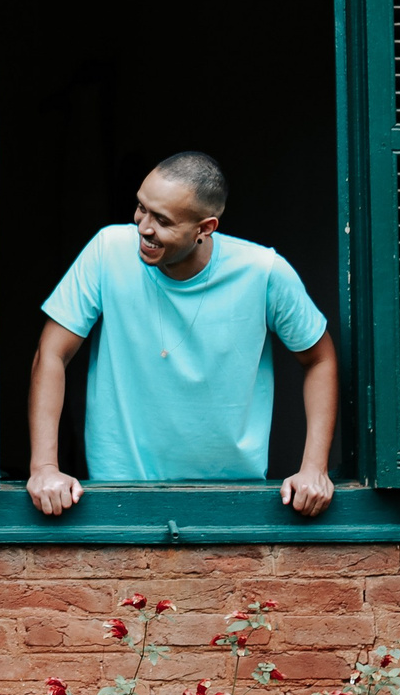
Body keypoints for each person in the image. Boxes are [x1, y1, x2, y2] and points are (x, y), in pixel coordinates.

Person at [25, 151, 336, 518]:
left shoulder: (264, 272)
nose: (144, 227)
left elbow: (319, 359)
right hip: (118, 491)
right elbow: (51, 353)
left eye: (162, 220)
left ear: (205, 228)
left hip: (233, 497)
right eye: (141, 208)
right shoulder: (107, 251)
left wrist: (314, 468)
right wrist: (44, 467)